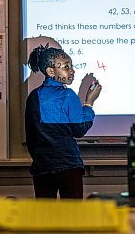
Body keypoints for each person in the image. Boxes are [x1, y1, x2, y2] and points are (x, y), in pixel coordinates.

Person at [25, 44, 102, 199]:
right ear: (50, 71)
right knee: (73, 216)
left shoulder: (34, 96)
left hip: (42, 165)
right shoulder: (68, 95)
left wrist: (42, 156)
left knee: (45, 216)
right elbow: (79, 129)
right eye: (66, 67)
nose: (72, 71)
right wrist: (89, 103)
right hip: (68, 164)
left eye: (71, 66)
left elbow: (31, 137)